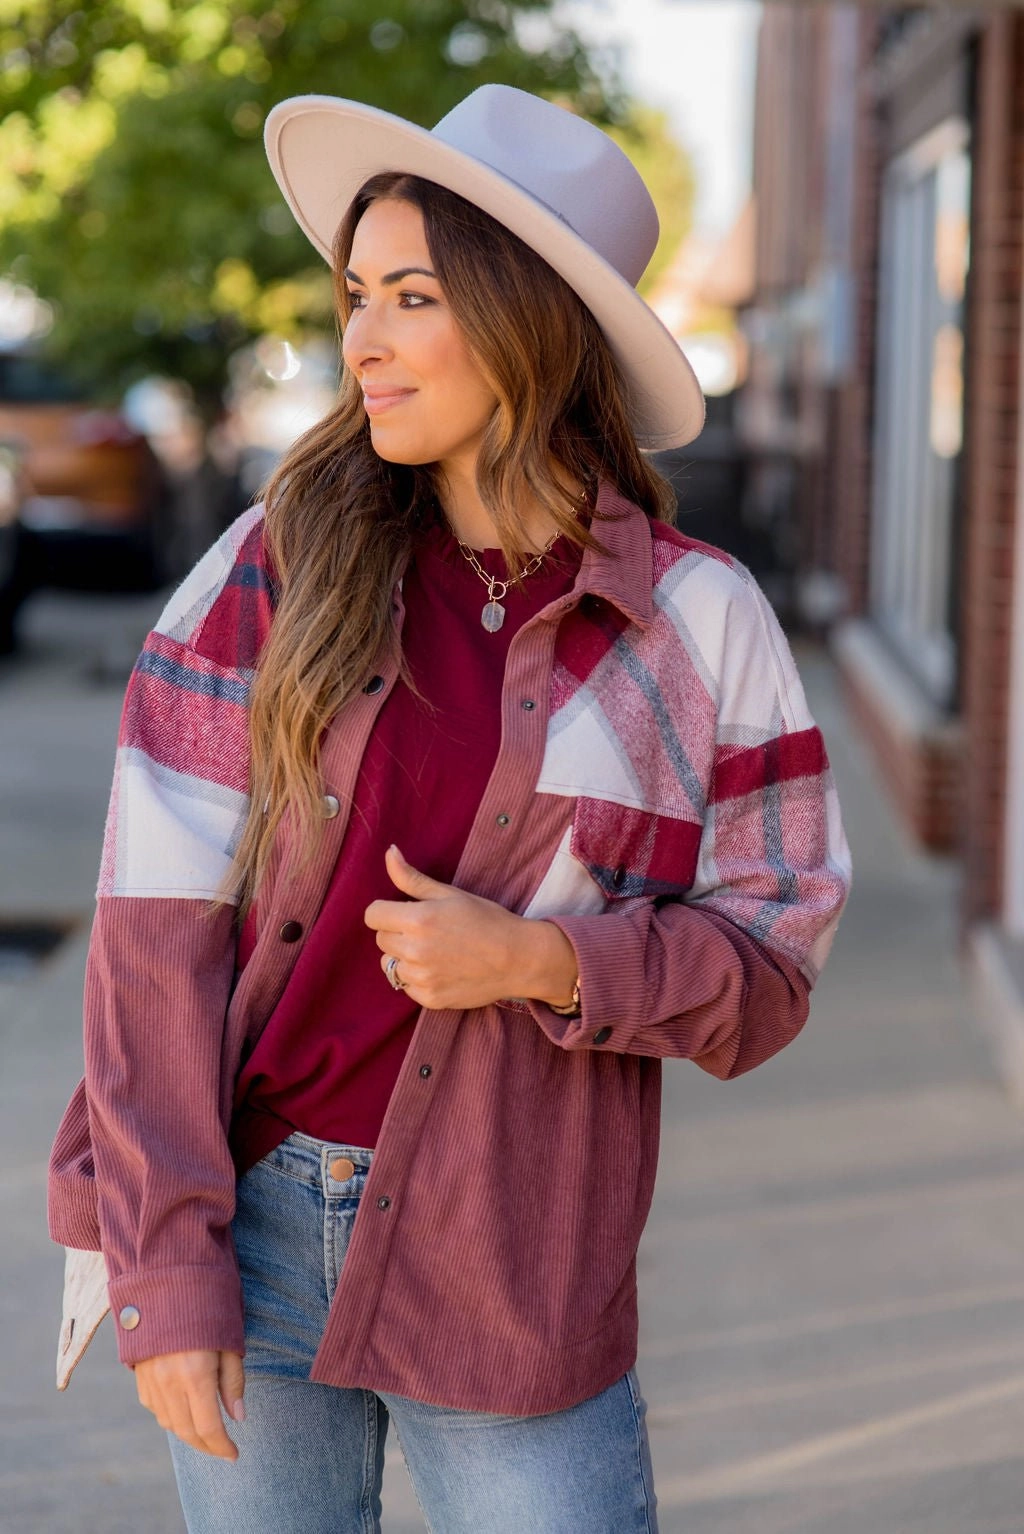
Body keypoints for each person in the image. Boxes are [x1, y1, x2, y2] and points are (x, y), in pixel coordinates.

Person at [48, 84, 851, 1533]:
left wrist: (548, 962)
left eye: (410, 296)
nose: (361, 336)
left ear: (530, 318)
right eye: (355, 293)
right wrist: (165, 1262)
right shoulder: (272, 566)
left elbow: (774, 963)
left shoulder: (696, 625)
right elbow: (150, 932)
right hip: (249, 1223)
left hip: (516, 1260)